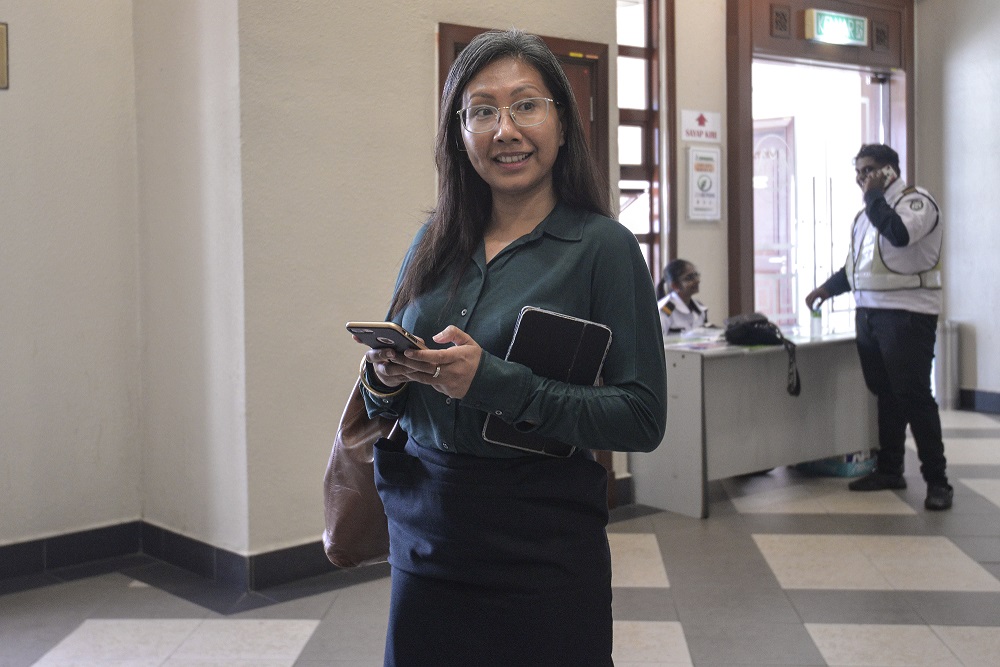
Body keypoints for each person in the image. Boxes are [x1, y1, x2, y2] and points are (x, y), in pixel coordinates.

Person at [355, 29, 668, 666]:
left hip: (541, 546)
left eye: (526, 105)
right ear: (458, 131)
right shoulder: (432, 241)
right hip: (427, 535)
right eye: (482, 111)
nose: (506, 129)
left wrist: (492, 383)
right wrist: (386, 379)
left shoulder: (603, 248)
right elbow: (381, 404)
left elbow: (641, 416)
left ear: (562, 119)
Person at [805, 143, 952, 511]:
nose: (861, 178)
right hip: (869, 315)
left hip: (907, 315)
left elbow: (899, 234)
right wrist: (826, 289)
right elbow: (856, 269)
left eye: (868, 170)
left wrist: (873, 197)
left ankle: (938, 481)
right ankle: (890, 469)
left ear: (889, 170)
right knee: (885, 393)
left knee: (913, 396)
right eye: (857, 172)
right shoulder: (865, 215)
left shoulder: (916, 202)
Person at [656, 258, 709, 335]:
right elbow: (658, 340)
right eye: (689, 278)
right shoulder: (666, 309)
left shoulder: (699, 308)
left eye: (696, 275)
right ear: (675, 286)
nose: (697, 280)